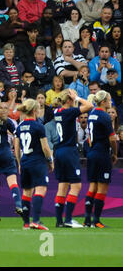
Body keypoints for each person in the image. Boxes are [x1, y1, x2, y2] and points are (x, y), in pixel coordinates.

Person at [52, 89, 94, 228]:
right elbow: (89, 106)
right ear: (69, 99)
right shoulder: (68, 112)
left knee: (62, 186)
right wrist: (78, 97)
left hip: (59, 151)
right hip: (69, 151)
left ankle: (59, 221)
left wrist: (74, 100)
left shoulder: (57, 112)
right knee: (76, 185)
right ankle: (69, 219)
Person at [14, 98, 54, 230]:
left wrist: (20, 163)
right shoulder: (38, 126)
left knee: (26, 191)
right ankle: (36, 220)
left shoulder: (19, 127)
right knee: (40, 189)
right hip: (37, 161)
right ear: (35, 110)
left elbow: (17, 148)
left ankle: (26, 223)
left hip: (25, 162)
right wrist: (50, 160)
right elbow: (45, 147)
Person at [84, 90, 118, 228]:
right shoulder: (104, 116)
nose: (110, 102)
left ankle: (87, 220)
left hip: (92, 153)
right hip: (102, 153)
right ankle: (96, 220)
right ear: (103, 101)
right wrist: (115, 153)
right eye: (109, 100)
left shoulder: (91, 114)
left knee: (93, 186)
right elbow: (112, 138)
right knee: (102, 188)